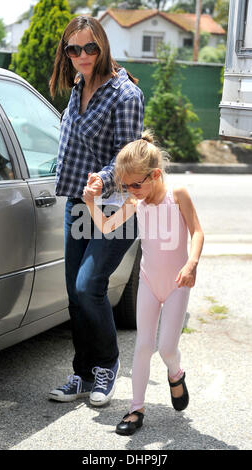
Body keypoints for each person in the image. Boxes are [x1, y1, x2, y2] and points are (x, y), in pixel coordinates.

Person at [48, 15, 144, 406]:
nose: (82, 55)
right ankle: (83, 374)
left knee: (90, 285)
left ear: (102, 46)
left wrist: (103, 179)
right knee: (76, 293)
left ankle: (107, 364)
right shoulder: (77, 85)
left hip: (116, 207)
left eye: (90, 47)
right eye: (75, 49)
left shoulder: (124, 95)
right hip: (79, 203)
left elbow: (129, 158)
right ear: (66, 52)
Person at [83, 130, 204, 434]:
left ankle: (175, 373)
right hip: (149, 280)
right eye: (127, 186)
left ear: (156, 175)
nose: (132, 191)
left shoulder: (179, 195)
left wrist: (191, 264)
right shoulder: (136, 203)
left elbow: (198, 233)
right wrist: (90, 203)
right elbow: (107, 226)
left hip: (177, 282)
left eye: (137, 185)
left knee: (166, 348)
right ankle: (135, 410)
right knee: (142, 345)